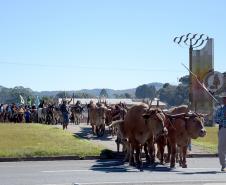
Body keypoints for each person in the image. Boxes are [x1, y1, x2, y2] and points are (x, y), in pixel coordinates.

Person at [214, 92, 226, 172]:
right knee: (221, 148)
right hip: (223, 129)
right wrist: (223, 117)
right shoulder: (219, 109)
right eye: (224, 98)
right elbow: (216, 120)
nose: (224, 100)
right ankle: (224, 165)